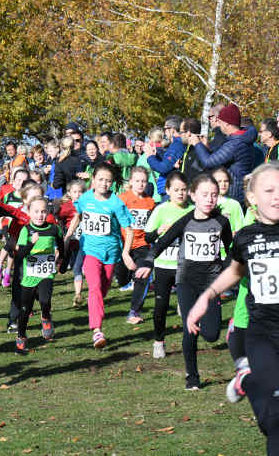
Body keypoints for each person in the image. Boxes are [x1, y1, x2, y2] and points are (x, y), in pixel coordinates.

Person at [186, 163, 279, 456]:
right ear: (252, 197)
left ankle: (250, 382)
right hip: (261, 333)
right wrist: (207, 296)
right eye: (269, 191)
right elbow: (234, 272)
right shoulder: (245, 237)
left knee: (275, 420)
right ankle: (253, 381)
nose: (278, 197)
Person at [135, 174, 233, 390]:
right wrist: (148, 262)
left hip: (212, 284)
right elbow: (162, 242)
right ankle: (192, 376)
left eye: (214, 195)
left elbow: (231, 250)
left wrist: (227, 268)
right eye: (205, 195)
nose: (209, 199)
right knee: (190, 329)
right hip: (186, 281)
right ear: (193, 196)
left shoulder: (222, 222)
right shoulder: (186, 221)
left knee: (211, 334)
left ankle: (229, 330)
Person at [65, 163, 135, 348]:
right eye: (101, 179)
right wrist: (67, 236)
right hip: (90, 250)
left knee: (101, 291)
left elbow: (128, 230)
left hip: (111, 253)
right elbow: (78, 216)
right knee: (95, 287)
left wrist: (126, 253)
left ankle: (96, 312)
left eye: (108, 181)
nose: (104, 184)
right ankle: (97, 330)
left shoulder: (116, 203)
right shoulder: (85, 198)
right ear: (93, 180)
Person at [142, 171, 194, 359]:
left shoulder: (193, 210)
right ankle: (158, 341)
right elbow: (147, 237)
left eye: (183, 190)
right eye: (176, 190)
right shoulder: (161, 209)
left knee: (189, 304)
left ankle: (190, 340)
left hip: (186, 266)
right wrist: (158, 231)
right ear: (167, 191)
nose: (180, 193)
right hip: (164, 265)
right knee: (161, 306)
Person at [12, 196, 64, 353]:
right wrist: (31, 243)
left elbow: (62, 246)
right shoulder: (26, 230)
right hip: (29, 277)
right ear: (29, 212)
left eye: (43, 211)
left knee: (45, 299)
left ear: (47, 212)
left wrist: (61, 261)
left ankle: (46, 317)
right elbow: (20, 255)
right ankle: (21, 336)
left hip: (46, 273)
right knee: (25, 309)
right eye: (36, 212)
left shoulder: (54, 229)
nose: (40, 215)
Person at [188, 104, 256, 205]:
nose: (218, 125)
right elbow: (220, 159)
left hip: (234, 195)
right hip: (239, 192)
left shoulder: (235, 144)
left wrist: (196, 144)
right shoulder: (241, 139)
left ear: (227, 124)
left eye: (220, 122)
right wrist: (205, 148)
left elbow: (208, 162)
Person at [116, 167, 156, 324]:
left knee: (143, 275)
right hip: (123, 243)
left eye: (144, 181)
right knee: (122, 279)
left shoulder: (150, 202)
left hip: (142, 244)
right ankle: (126, 280)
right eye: (137, 181)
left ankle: (134, 311)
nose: (140, 184)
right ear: (131, 182)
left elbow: (152, 224)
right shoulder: (122, 199)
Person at [145, 116, 185, 199]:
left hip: (170, 190)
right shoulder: (176, 144)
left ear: (172, 129)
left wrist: (150, 156)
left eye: (165, 129)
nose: (165, 132)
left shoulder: (176, 145)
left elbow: (163, 168)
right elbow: (168, 162)